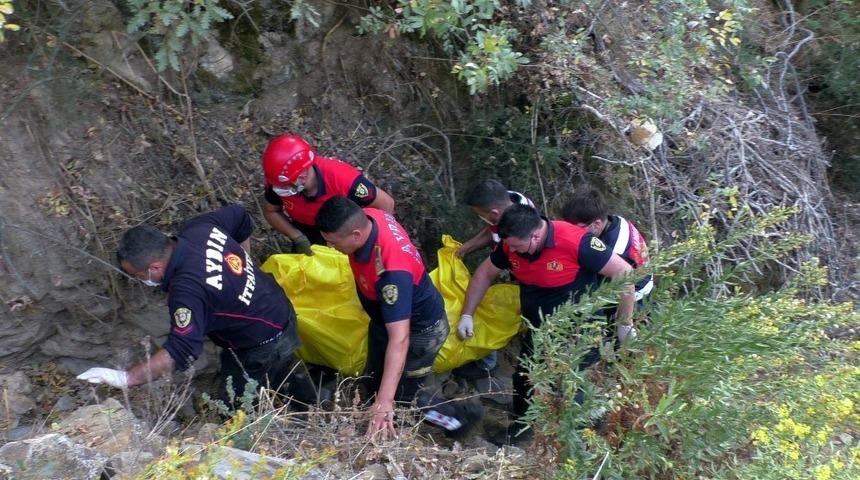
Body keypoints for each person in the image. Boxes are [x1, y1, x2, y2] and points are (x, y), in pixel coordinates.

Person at [77, 205, 317, 407]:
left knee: (234, 404)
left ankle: (281, 428)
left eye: (139, 275)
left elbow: (182, 349)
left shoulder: (187, 291)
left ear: (155, 268)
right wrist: (243, 267)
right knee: (284, 367)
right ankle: (312, 405)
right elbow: (240, 216)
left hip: (261, 341)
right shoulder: (199, 229)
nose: (142, 281)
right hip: (277, 304)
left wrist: (126, 377)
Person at [459, 204, 636, 444]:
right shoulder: (511, 244)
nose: (511, 251)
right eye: (509, 246)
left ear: (535, 236)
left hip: (579, 327)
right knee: (524, 376)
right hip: (539, 327)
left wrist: (624, 323)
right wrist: (467, 314)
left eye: (517, 247)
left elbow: (625, 273)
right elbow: (484, 274)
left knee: (568, 381)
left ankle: (587, 439)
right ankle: (523, 429)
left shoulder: (576, 241)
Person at [316, 196, 481, 440]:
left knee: (405, 396)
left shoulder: (393, 274)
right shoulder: (373, 216)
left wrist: (386, 401)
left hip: (420, 332)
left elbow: (401, 339)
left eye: (333, 242)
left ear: (356, 235)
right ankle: (371, 416)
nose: (330, 248)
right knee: (374, 375)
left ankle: (457, 418)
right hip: (386, 319)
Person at [453, 179, 533, 390]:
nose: (480, 218)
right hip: (513, 273)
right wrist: (466, 248)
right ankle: (488, 360)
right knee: (487, 306)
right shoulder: (511, 200)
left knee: (494, 313)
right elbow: (492, 231)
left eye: (480, 214)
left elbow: (488, 271)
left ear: (495, 212)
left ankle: (491, 365)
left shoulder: (518, 225)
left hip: (527, 280)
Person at [262, 134, 395, 255]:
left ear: (302, 176)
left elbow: (385, 203)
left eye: (286, 186)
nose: (281, 190)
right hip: (308, 231)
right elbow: (271, 211)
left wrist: (375, 244)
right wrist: (298, 237)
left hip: (345, 234)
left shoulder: (343, 181)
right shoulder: (279, 182)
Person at [561, 184, 653, 308]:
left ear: (597, 224)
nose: (571, 233)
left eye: (576, 229)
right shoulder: (614, 221)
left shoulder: (615, 250)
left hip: (635, 297)